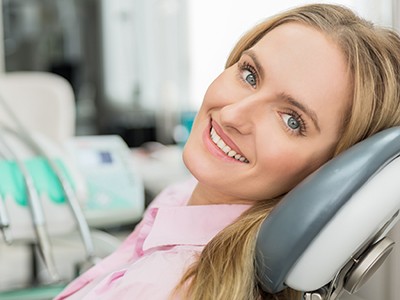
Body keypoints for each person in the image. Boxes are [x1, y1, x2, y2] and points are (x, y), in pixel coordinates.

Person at [55, 3, 400, 300]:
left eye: (292, 121)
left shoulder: (163, 285)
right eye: (250, 75)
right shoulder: (180, 198)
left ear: (330, 174)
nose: (233, 114)